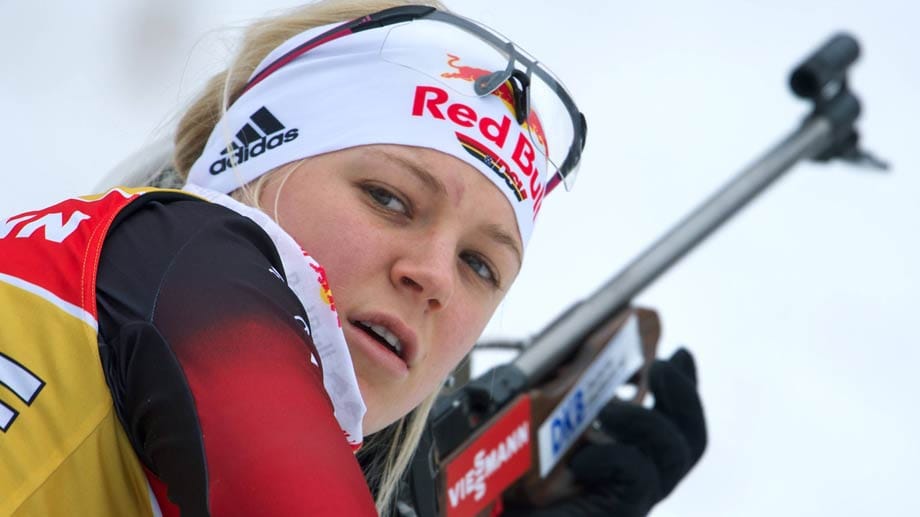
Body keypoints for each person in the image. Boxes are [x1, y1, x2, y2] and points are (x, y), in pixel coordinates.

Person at [0, 1, 704, 516]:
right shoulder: (186, 254)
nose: (430, 276)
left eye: (480, 265)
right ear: (248, 164)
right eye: (388, 198)